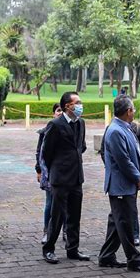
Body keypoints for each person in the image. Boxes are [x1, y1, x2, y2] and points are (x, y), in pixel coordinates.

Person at [98, 96, 140, 273]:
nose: (134, 112)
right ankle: (134, 259)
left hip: (125, 184)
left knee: (117, 221)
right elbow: (123, 160)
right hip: (121, 185)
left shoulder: (124, 128)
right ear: (128, 111)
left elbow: (134, 154)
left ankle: (106, 256)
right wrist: (138, 177)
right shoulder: (116, 130)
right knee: (125, 222)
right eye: (133, 109)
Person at [42, 92, 89, 264]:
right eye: (77, 103)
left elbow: (81, 146)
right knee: (57, 215)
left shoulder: (81, 123)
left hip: (77, 177)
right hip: (60, 178)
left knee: (74, 215)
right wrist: (57, 167)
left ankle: (73, 249)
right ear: (67, 106)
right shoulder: (55, 124)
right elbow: (46, 152)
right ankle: (49, 248)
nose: (80, 106)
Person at [35, 103, 64, 244]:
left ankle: (65, 231)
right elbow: (39, 151)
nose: (59, 113)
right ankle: (47, 231)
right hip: (49, 172)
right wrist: (39, 170)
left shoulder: (69, 128)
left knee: (65, 204)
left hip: (65, 173)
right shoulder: (46, 130)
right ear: (53, 113)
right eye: (57, 111)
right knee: (49, 202)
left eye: (61, 110)